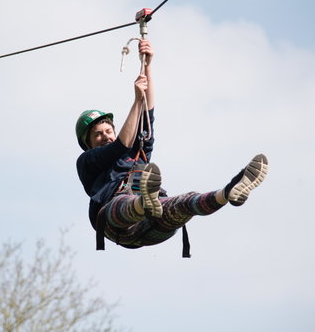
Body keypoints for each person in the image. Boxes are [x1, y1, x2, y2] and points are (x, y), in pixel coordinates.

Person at [75, 40, 268, 257]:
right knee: (126, 202)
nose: (104, 137)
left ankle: (226, 193)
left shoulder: (137, 153)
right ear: (88, 144)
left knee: (183, 202)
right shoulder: (87, 162)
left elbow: (148, 115)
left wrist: (147, 64)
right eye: (97, 135)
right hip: (116, 222)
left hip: (155, 226)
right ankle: (143, 203)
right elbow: (120, 145)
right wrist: (136, 100)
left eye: (108, 130)